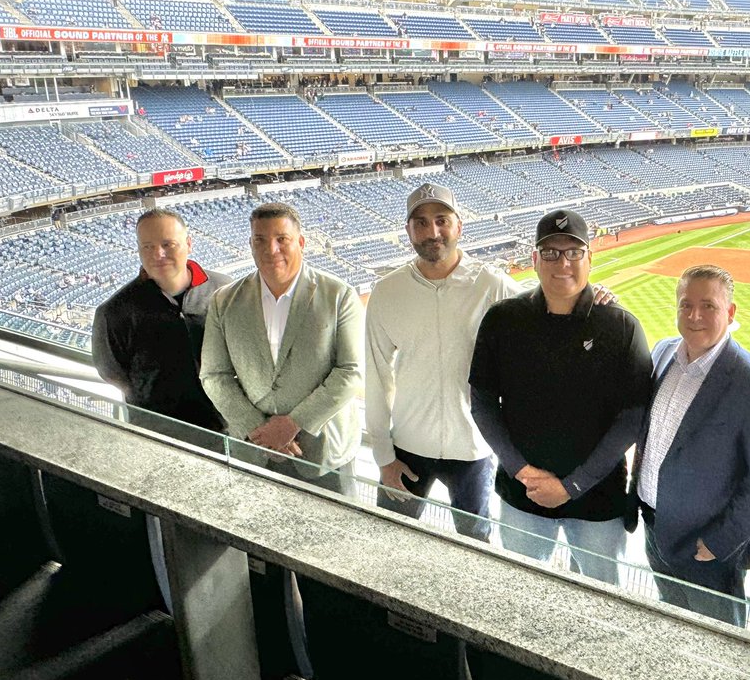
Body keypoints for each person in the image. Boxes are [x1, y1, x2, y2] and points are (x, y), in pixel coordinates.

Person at [470, 209, 651, 584]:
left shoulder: (620, 326)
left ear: (589, 258)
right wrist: (521, 470)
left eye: (573, 252)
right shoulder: (503, 319)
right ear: (535, 260)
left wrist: (572, 486)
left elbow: (632, 416)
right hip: (523, 497)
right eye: (550, 253)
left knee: (603, 605)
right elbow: (483, 402)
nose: (562, 263)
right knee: (521, 597)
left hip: (598, 502)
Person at [628, 265, 750, 626]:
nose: (694, 316)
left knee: (717, 646)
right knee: (672, 625)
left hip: (707, 550)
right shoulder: (665, 352)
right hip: (655, 531)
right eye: (685, 305)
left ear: (730, 313)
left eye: (708, 306)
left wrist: (717, 543)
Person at [365, 183, 520, 541]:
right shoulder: (388, 291)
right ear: (408, 231)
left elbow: (544, 313)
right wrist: (383, 457)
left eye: (441, 220)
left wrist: (597, 298)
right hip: (406, 448)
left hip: (473, 449)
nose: (432, 232)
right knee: (387, 542)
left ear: (458, 226)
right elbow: (376, 377)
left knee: (475, 549)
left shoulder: (492, 284)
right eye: (420, 222)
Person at [201, 203, 363, 494]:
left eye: (281, 239)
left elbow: (351, 371)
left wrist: (294, 423)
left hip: (323, 453)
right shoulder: (223, 301)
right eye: (259, 240)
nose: (270, 249)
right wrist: (257, 430)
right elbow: (213, 375)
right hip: (255, 450)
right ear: (250, 244)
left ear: (300, 242)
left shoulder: (339, 296)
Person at [91, 208, 230, 440]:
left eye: (168, 244)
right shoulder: (114, 311)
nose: (158, 254)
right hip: (158, 435)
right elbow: (112, 372)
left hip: (226, 430)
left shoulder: (224, 291)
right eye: (147, 246)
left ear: (188, 244)